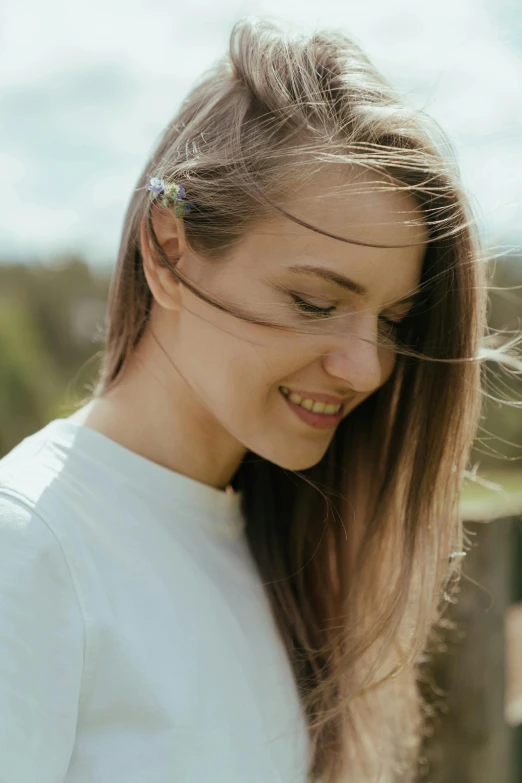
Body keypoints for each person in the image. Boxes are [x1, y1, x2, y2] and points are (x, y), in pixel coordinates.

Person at [0, 15, 518, 783]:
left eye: (392, 322)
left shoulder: (279, 546)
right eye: (313, 302)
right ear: (168, 252)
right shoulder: (30, 548)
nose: (366, 367)